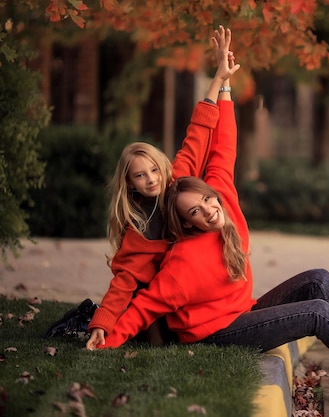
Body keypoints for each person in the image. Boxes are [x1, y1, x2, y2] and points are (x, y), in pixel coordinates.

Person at [93, 46, 329, 406]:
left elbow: (216, 141)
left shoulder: (212, 193)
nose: (207, 210)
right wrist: (104, 333)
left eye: (207, 200)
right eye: (195, 212)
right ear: (184, 224)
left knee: (319, 279)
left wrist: (223, 87)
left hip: (241, 309)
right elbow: (141, 300)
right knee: (316, 312)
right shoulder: (178, 255)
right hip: (216, 333)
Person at [84, 26, 240, 349]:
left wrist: (219, 80)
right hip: (156, 300)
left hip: (186, 290)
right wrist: (102, 323)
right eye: (140, 176)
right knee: (152, 331)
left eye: (154, 169)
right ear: (129, 183)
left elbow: (198, 131)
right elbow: (124, 281)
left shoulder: (178, 180)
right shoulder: (139, 228)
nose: (151, 179)